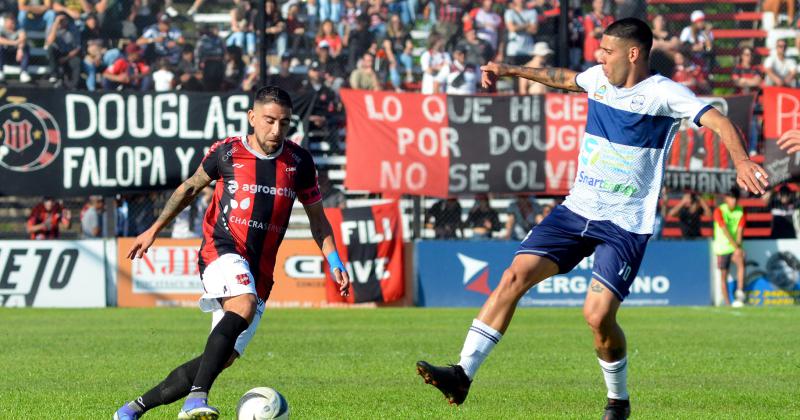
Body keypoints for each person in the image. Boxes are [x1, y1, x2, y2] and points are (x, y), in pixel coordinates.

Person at [415, 18, 769, 419]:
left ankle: (618, 401)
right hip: (577, 209)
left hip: (624, 224)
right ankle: (463, 373)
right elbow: (562, 78)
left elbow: (719, 120)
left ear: (633, 54)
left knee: (597, 317)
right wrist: (509, 69)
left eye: (607, 51)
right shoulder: (599, 79)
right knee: (515, 274)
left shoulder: (663, 94)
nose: (599, 57)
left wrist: (741, 161)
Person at [113, 86, 351, 420]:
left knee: (221, 356)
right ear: (252, 117)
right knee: (243, 304)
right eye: (269, 120)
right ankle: (196, 400)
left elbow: (319, 222)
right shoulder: (228, 152)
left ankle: (132, 410)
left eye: (284, 123)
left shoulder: (299, 162)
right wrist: (153, 230)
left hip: (260, 271)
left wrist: (335, 261)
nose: (276, 130)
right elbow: (190, 188)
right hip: (220, 250)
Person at [713, 187, 747, 307]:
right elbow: (725, 231)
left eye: (736, 198)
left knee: (741, 261)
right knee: (724, 276)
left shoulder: (741, 211)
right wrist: (736, 246)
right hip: (722, 248)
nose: (734, 201)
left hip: (733, 248)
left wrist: (738, 247)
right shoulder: (719, 211)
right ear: (726, 198)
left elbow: (740, 231)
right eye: (731, 198)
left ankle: (740, 292)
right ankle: (728, 304)